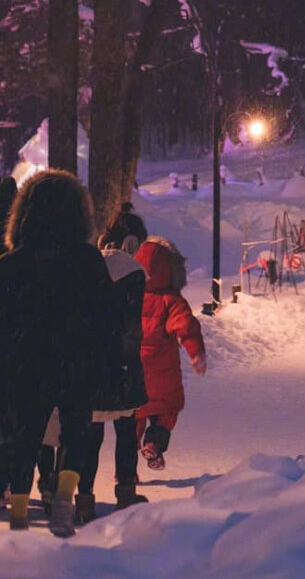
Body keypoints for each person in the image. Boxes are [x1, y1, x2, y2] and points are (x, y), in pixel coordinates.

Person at [0, 170, 117, 537]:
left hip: (25, 361)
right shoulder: (88, 260)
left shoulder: (12, 264)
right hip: (76, 357)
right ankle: (65, 494)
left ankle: (19, 512)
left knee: (24, 435)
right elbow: (105, 316)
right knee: (76, 430)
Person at [75, 204, 149, 521]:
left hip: (92, 363)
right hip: (122, 364)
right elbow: (132, 325)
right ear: (131, 242)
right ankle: (125, 494)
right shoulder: (133, 274)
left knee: (90, 436)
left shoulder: (87, 269)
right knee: (125, 429)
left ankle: (85, 497)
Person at [134, 235, 206, 472]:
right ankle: (154, 443)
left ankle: (125, 472)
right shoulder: (171, 300)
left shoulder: (130, 296)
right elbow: (185, 325)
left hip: (133, 368)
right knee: (167, 409)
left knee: (133, 416)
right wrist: (195, 351)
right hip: (163, 373)